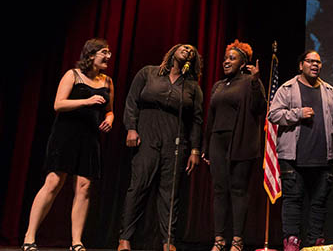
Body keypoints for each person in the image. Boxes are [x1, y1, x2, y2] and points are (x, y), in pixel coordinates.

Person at [22, 38, 114, 251]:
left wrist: (109, 120)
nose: (108, 56)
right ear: (91, 55)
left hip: (90, 138)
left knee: (84, 187)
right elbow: (58, 104)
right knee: (53, 182)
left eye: (109, 52)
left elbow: (109, 110)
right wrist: (86, 101)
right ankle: (29, 236)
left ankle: (76, 242)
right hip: (65, 136)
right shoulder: (72, 75)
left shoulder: (107, 81)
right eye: (104, 52)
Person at [119, 44, 204, 251]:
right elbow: (131, 102)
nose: (188, 51)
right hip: (147, 136)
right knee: (138, 186)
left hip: (175, 141)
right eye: (184, 47)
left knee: (170, 193)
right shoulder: (149, 73)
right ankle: (124, 239)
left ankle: (168, 241)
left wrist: (194, 150)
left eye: (192, 52)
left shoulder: (192, 86)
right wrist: (131, 128)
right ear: (173, 51)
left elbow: (197, 120)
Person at [268, 50, 333, 250]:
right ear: (301, 65)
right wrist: (298, 113)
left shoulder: (330, 91)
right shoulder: (288, 88)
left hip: (323, 157)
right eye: (310, 61)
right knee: (293, 201)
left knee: (319, 203)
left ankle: (315, 243)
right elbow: (273, 114)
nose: (315, 65)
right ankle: (291, 242)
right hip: (293, 157)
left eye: (318, 62)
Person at [202, 40, 265, 251]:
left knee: (238, 190)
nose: (226, 61)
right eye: (225, 58)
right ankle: (219, 239)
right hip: (217, 143)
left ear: (243, 63)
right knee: (219, 191)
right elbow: (210, 117)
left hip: (241, 142)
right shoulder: (218, 85)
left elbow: (260, 108)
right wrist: (205, 146)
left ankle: (237, 239)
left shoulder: (250, 81)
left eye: (232, 58)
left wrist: (256, 82)